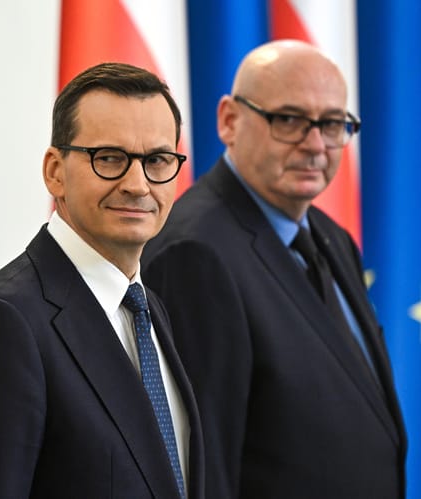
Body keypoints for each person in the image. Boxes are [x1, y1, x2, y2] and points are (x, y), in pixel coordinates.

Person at [142, 40, 407, 499]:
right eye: (288, 119)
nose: (315, 145)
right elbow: (204, 470)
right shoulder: (194, 253)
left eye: (332, 124)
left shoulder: (329, 235)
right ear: (229, 120)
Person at [0, 62, 203, 498]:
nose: (137, 184)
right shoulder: (3, 322)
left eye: (156, 160)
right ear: (55, 171)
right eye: (109, 158)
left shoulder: (147, 309)